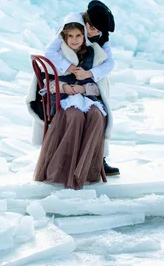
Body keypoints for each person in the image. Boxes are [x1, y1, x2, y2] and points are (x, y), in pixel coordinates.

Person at [26, 13, 114, 189]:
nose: (74, 40)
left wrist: (84, 86)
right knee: (74, 116)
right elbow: (46, 82)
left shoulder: (93, 52)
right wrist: (64, 86)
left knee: (96, 115)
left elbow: (99, 84)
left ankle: (88, 169)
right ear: (64, 37)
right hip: (63, 99)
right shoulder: (58, 53)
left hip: (86, 97)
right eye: (70, 36)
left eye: (79, 36)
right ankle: (62, 168)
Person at [44, 0, 119, 176]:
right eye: (91, 28)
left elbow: (110, 62)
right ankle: (69, 161)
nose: (94, 33)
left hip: (89, 81)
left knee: (99, 113)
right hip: (65, 82)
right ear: (85, 21)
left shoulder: (101, 34)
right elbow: (50, 52)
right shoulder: (72, 27)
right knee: (77, 115)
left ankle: (99, 158)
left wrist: (90, 73)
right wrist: (69, 68)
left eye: (98, 30)